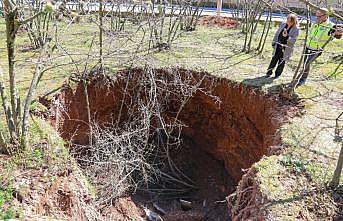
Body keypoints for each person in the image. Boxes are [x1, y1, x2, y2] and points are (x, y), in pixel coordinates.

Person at [297, 8, 342, 86]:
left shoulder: (330, 26)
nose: (317, 18)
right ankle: (300, 77)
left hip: (316, 49)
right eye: (316, 16)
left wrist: (339, 32)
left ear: (326, 16)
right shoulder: (315, 22)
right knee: (304, 63)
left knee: (307, 64)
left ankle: (302, 79)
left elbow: (337, 36)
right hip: (307, 47)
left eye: (319, 16)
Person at [266, 14, 300, 78]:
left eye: (289, 21)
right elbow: (277, 34)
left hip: (286, 48)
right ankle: (268, 73)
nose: (288, 22)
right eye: (287, 20)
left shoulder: (296, 29)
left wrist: (287, 36)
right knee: (274, 59)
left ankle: (277, 75)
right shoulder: (283, 24)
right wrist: (274, 42)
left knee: (281, 61)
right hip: (278, 45)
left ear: (293, 21)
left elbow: (294, 40)